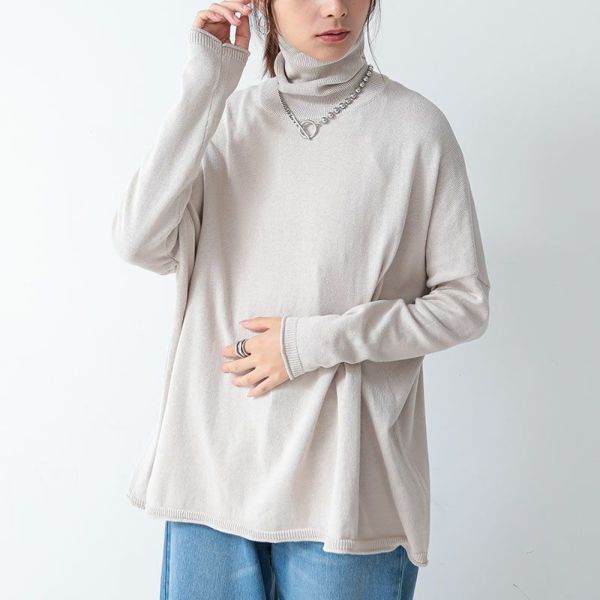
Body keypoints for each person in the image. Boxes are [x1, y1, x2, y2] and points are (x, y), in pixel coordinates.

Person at [112, 0, 491, 597]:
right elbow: (140, 242)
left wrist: (312, 342)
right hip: (211, 471)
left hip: (344, 489)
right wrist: (207, 82)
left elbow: (464, 304)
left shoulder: (415, 129)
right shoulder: (227, 119)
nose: (334, 8)